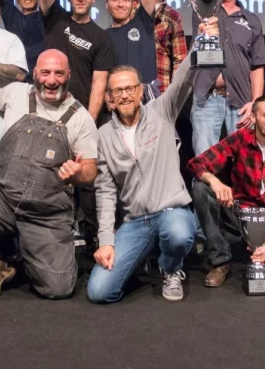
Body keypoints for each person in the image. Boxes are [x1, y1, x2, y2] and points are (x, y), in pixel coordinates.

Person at [0, 49, 98, 301]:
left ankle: (25, 247)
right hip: (1, 197)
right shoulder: (16, 93)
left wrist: (78, 174)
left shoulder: (80, 118)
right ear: (35, 73)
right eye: (45, 72)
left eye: (59, 73)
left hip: (45, 213)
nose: (51, 80)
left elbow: (91, 170)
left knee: (58, 288)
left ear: (68, 75)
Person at [89, 34, 212, 304]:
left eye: (129, 88)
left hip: (171, 211)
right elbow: (105, 193)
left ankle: (171, 269)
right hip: (135, 223)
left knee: (179, 233)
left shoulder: (162, 111)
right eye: (117, 91)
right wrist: (106, 240)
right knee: (99, 292)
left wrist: (201, 39)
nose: (124, 95)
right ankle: (136, 262)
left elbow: (184, 77)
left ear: (140, 91)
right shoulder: (103, 136)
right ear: (109, 98)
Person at [188, 95, 265, 289]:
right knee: (201, 187)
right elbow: (197, 164)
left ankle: (259, 259)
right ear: (254, 117)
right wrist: (215, 181)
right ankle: (220, 260)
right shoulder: (241, 139)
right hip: (239, 212)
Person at [184, 0, 265, 155]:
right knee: (204, 162)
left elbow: (258, 66)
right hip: (206, 98)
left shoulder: (252, 21)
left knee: (243, 165)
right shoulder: (205, 5)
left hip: (240, 102)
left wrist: (256, 103)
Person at [35, 0, 114, 120]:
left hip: (78, 114)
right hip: (45, 109)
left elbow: (98, 84)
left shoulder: (101, 38)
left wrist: (89, 122)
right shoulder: (56, 18)